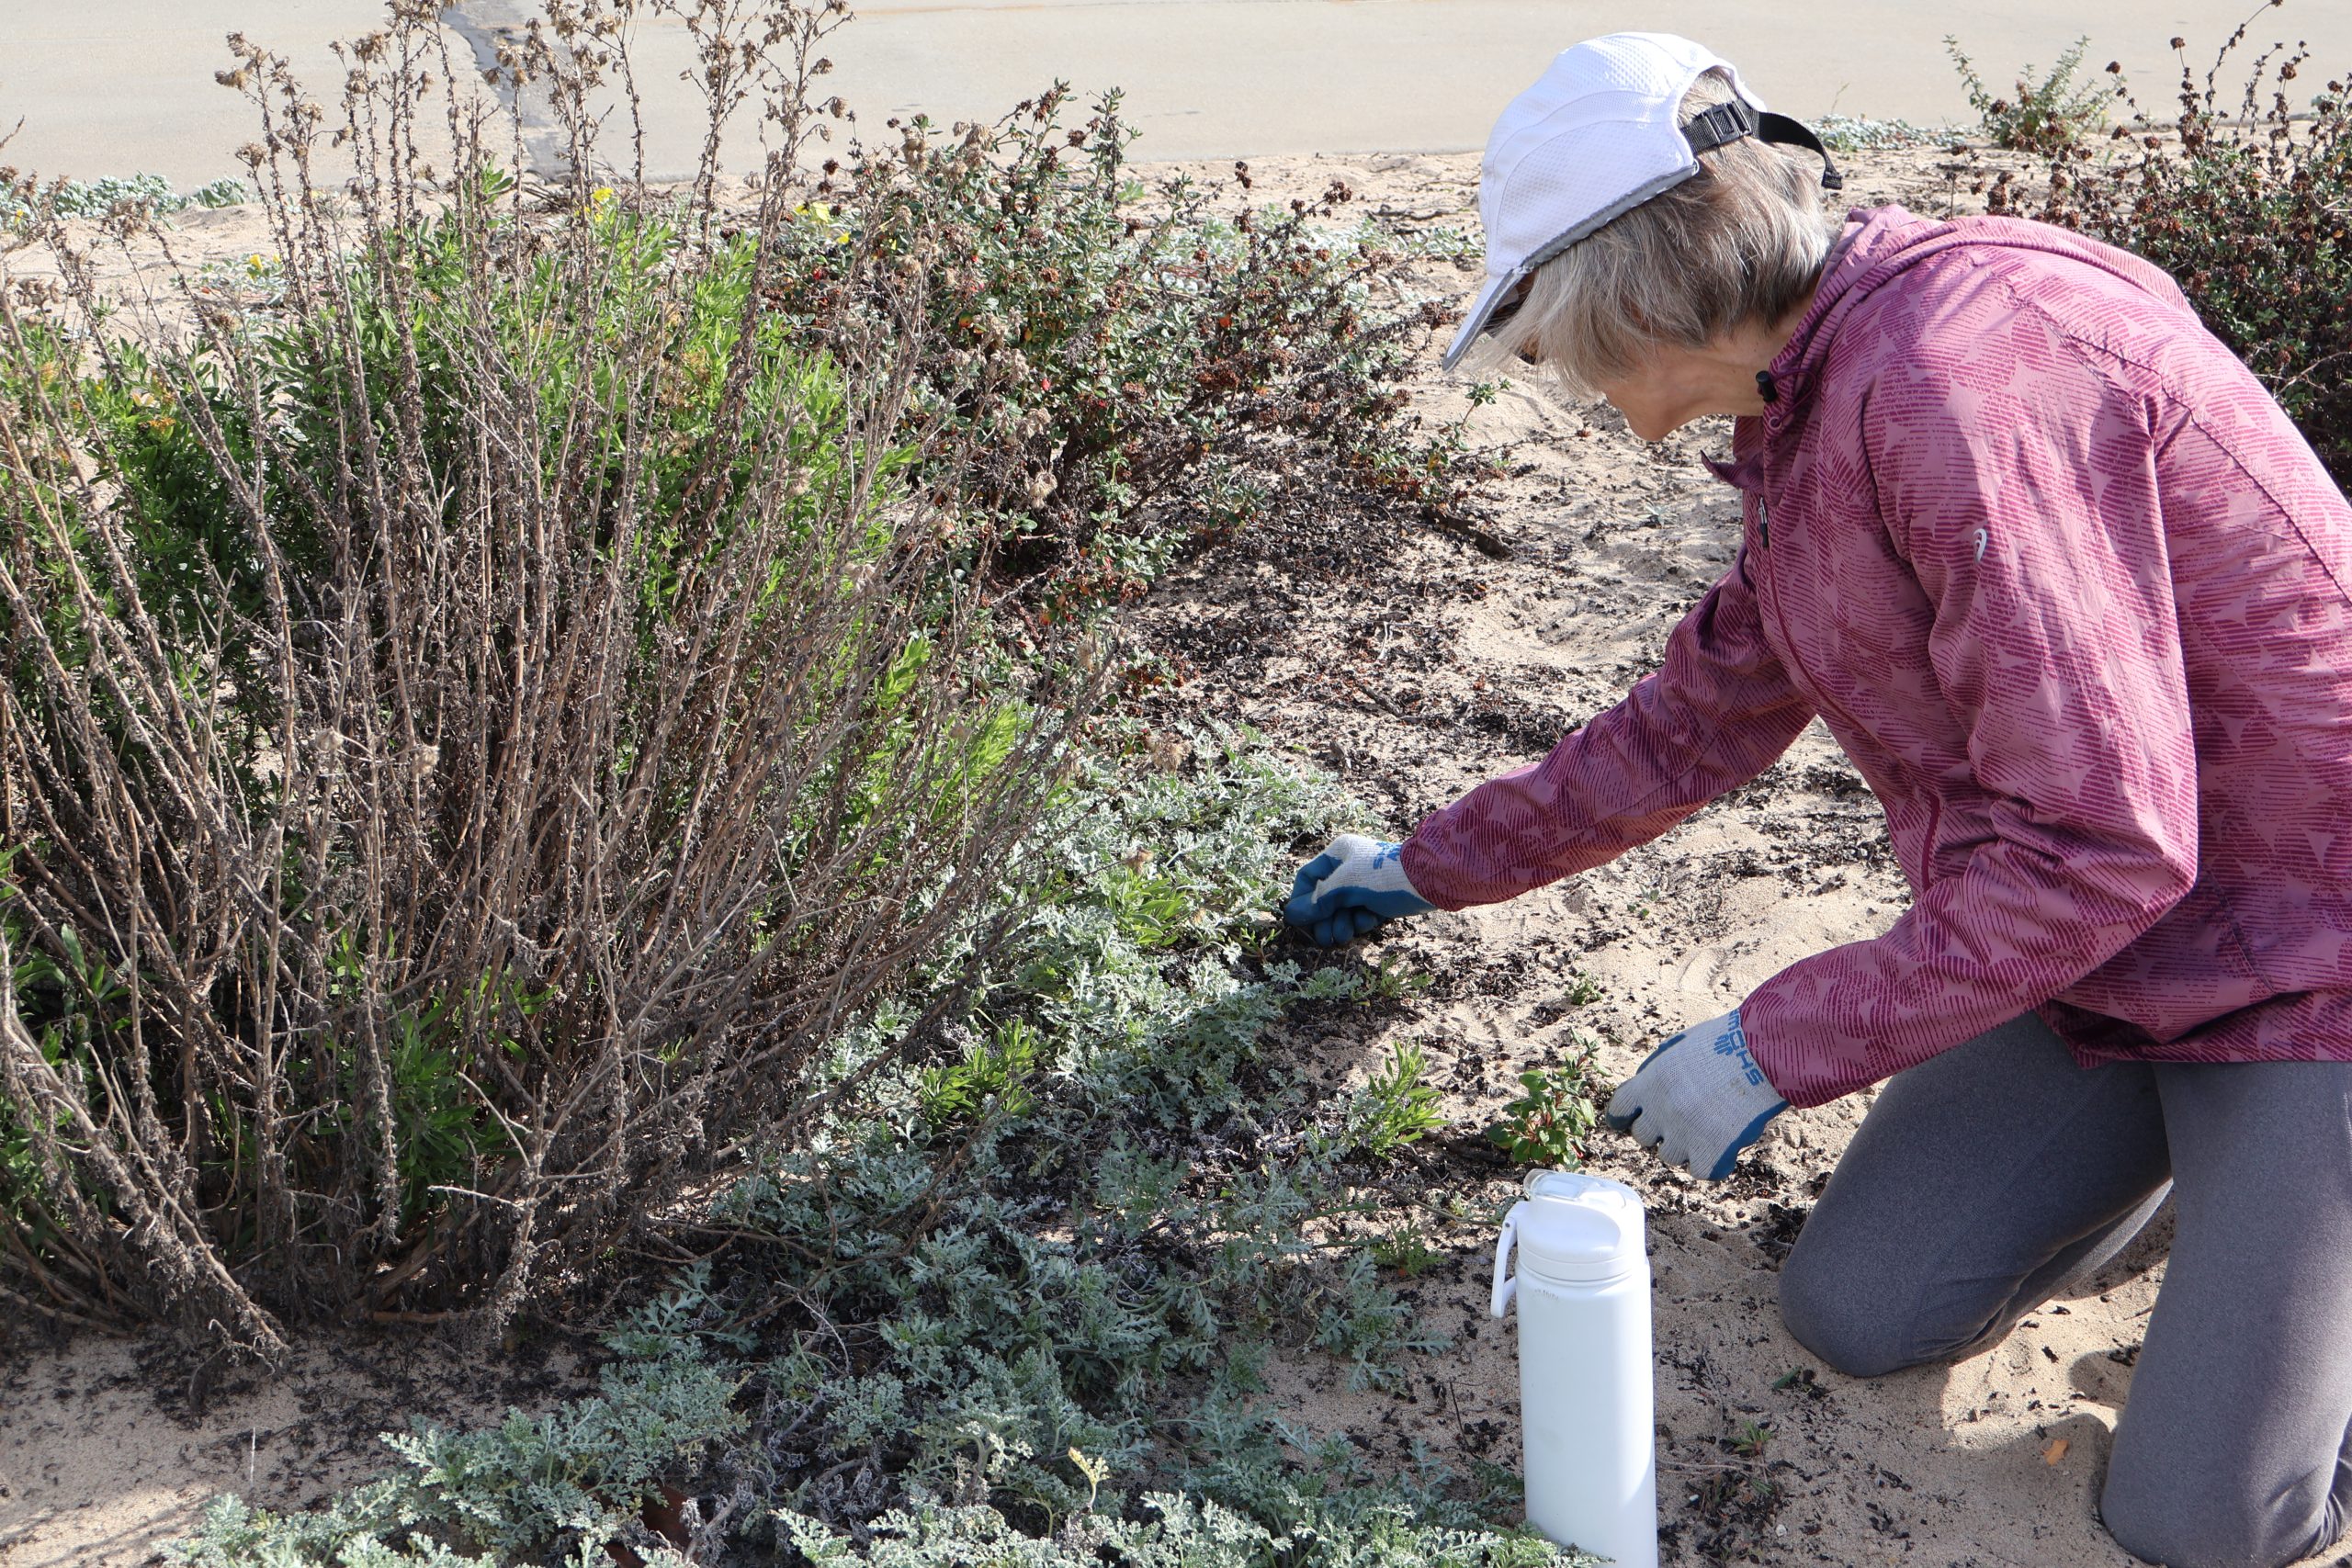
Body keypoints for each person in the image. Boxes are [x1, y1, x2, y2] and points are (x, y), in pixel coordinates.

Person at [1282, 31, 2352, 1568]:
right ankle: (2244, 1203)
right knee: (1863, 1307)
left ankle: (2282, 1229)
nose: (1588, 397)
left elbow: (2104, 845)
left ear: (1645, 294)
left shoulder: (1958, 381)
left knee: (2205, 1522)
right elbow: (1691, 725)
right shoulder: (1811, 395)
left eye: (1571, 353)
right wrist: (1425, 867)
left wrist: (1769, 1045)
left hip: (2315, 955)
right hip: (2124, 956)